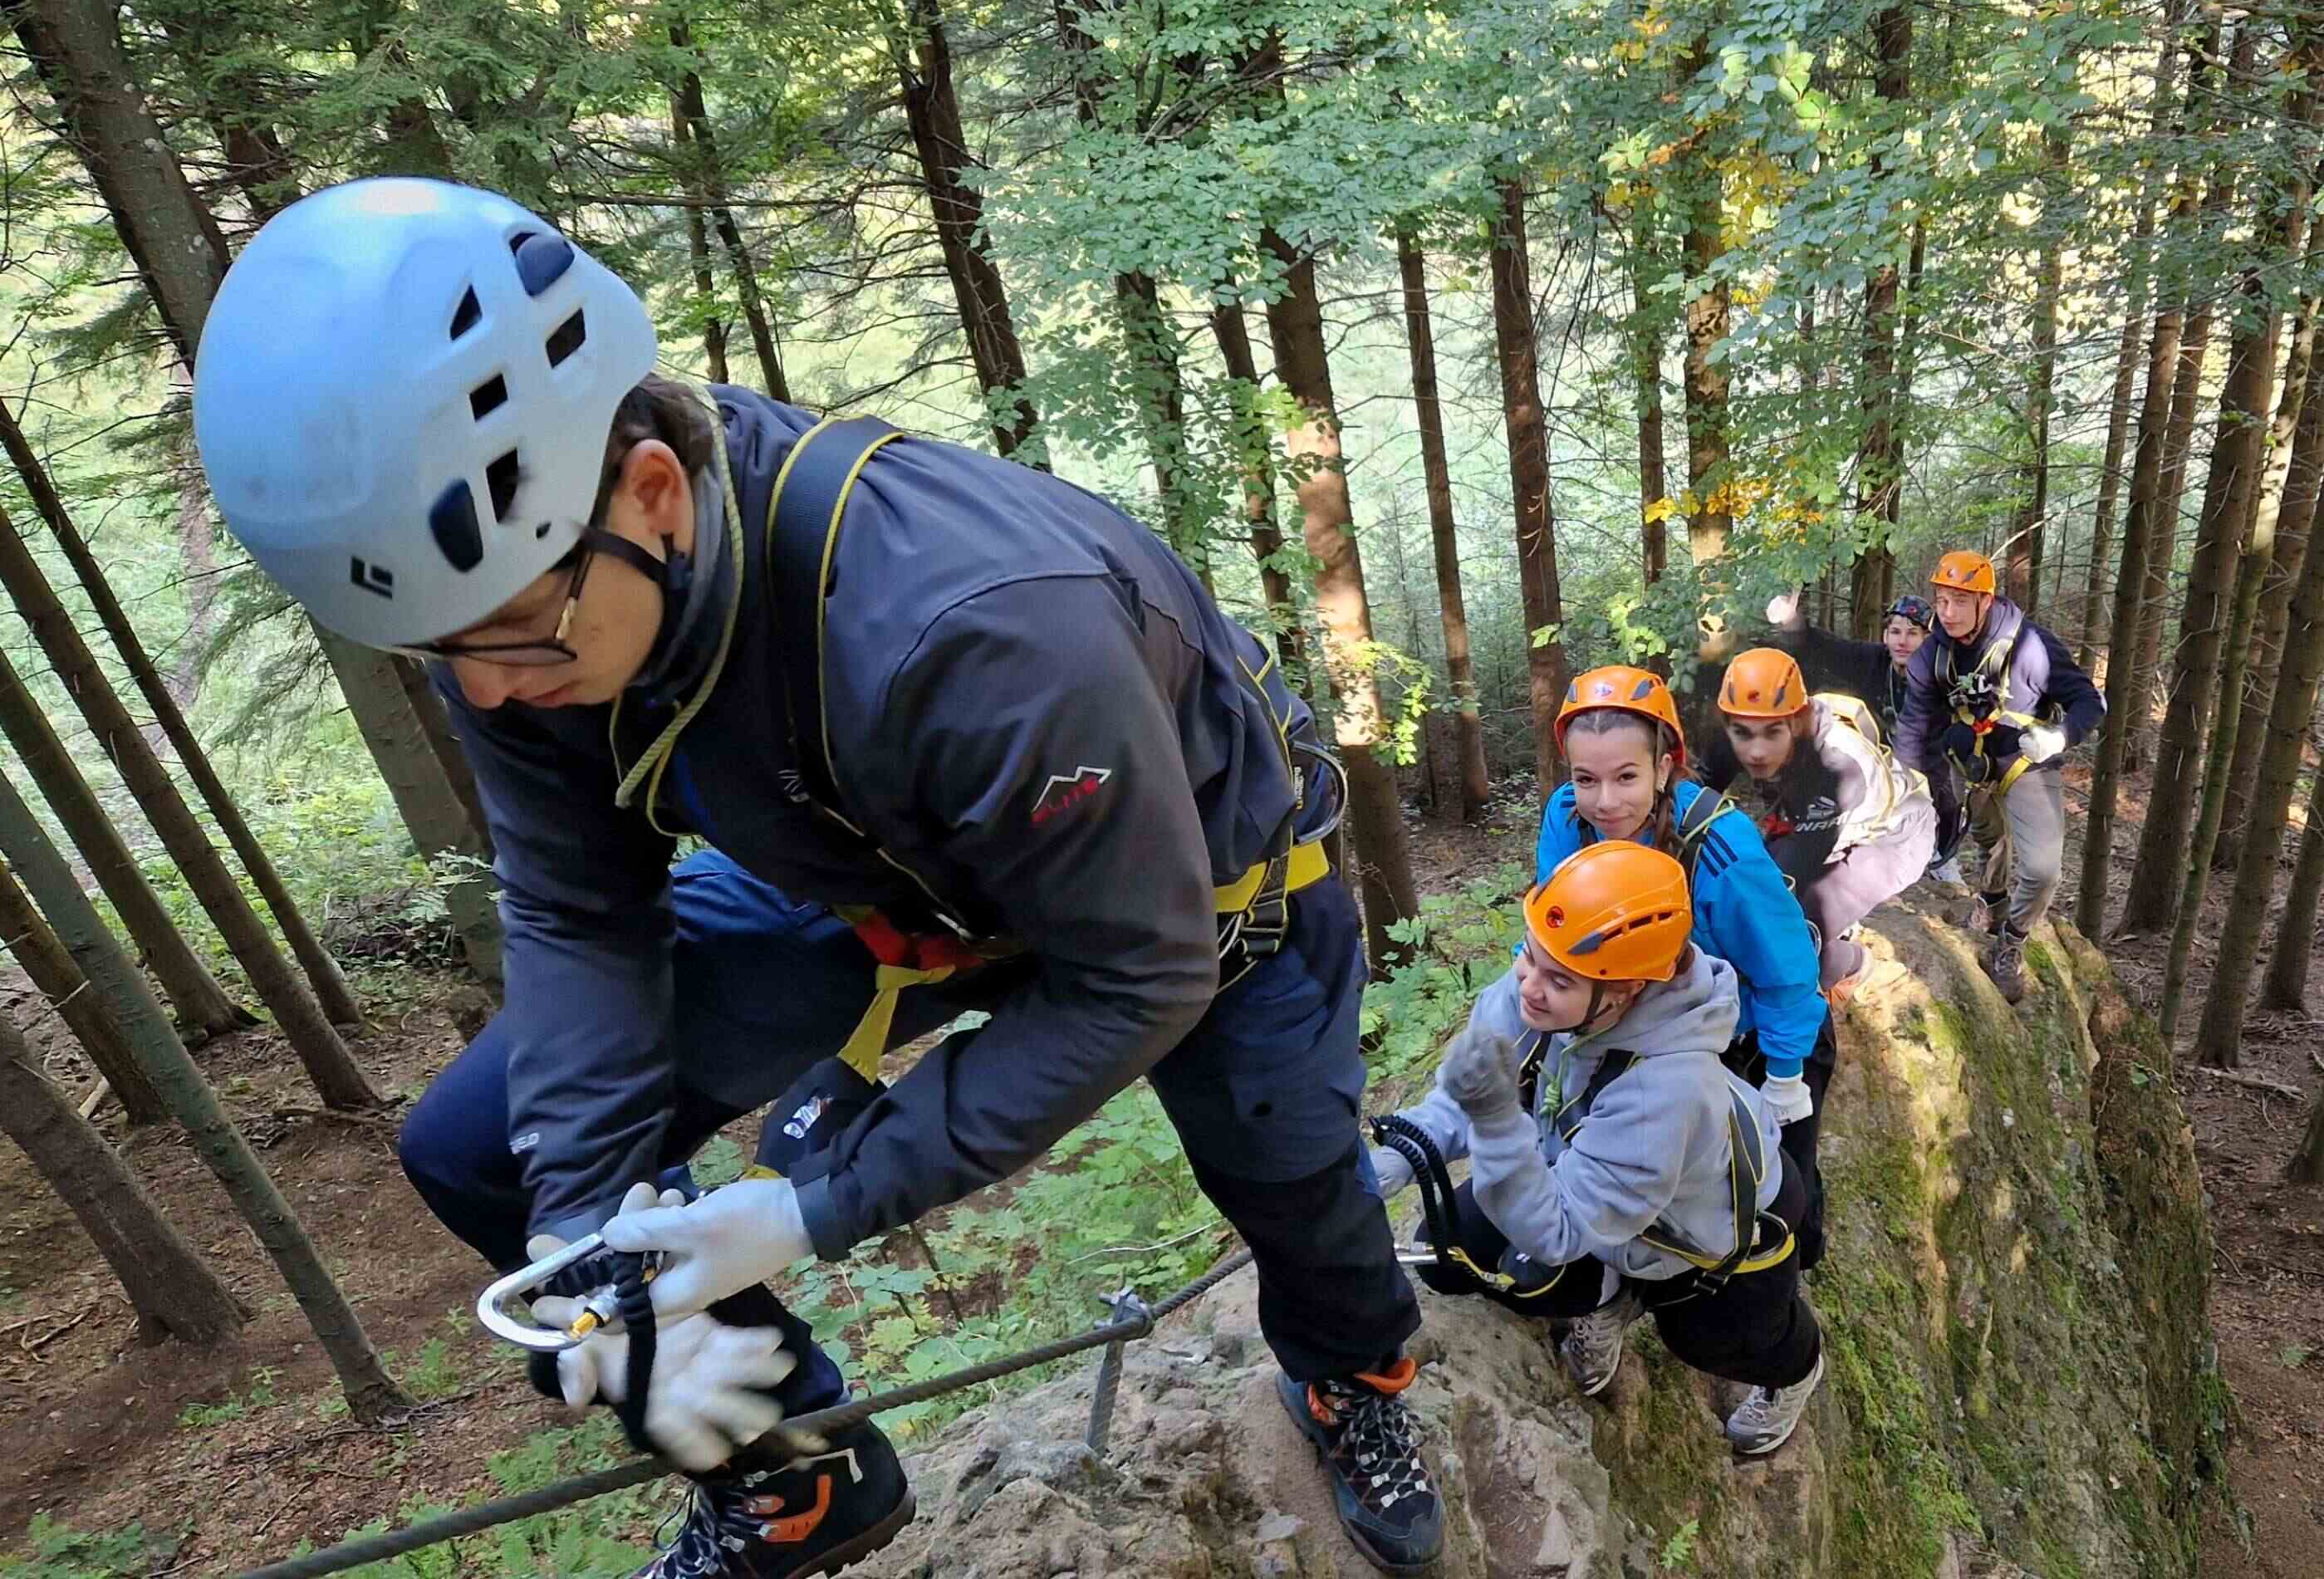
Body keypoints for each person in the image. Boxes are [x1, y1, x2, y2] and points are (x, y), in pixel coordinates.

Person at [193, 179, 1443, 1577]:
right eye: (440, 656)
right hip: (870, 869)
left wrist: (803, 1211)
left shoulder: (979, 632)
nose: (487, 694)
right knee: (493, 1155)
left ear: (653, 494)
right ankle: (800, 1476)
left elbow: (1133, 973)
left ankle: (1356, 1376)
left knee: (1291, 1178)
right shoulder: (540, 591)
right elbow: (575, 907)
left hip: (1193, 888)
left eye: (508, 642)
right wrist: (593, 1237)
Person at [1372, 841, 1826, 1455]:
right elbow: (1474, 1085)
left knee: (1716, 1340)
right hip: (1598, 1185)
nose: (1529, 988)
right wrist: (1398, 1157)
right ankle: (1614, 1294)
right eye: (1529, 959)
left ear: (1627, 991)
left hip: (1720, 1231)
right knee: (1446, 1255)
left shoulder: (1668, 1090)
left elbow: (1555, 1229)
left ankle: (1794, 1373)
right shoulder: (1549, 986)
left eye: (1557, 980)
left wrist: (1500, 1118)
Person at [1535, 668, 1832, 1270]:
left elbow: (1788, 971)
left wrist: (1782, 1076)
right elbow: (1560, 929)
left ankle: (1793, 1270)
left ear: (1664, 767)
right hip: (1650, 1024)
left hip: (1759, 1032)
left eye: (1626, 777)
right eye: (1585, 778)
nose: (1604, 801)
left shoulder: (1721, 850)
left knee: (1780, 1182)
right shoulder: (1568, 820)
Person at [1893, 552, 2106, 1004]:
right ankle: (1991, 901)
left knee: (2043, 870)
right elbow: (1915, 724)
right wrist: (1905, 782)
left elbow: (2090, 700)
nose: (1946, 612)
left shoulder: (2031, 646)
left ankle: (2012, 940)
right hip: (1970, 766)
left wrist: (2060, 736)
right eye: (1941, 600)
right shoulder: (1932, 655)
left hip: (2027, 765)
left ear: (1985, 601)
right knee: (1991, 844)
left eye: (1958, 601)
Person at [1698, 648, 1936, 1004]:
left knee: (1788, 941)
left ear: (1797, 720)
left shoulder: (1838, 768)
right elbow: (1696, 800)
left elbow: (1784, 884)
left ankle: (1854, 962)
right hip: (1808, 818)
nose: (1756, 752)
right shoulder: (1740, 728)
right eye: (1743, 734)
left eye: (1772, 733)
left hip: (1894, 837)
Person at [1764, 587, 1963, 885]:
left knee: (1949, 793)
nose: (1902, 641)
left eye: (1912, 633)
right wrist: (1792, 621)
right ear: (1885, 636)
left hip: (1929, 762)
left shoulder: (1943, 672)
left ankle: (1944, 857)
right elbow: (1827, 648)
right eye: (1895, 632)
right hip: (1877, 758)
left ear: (1927, 639)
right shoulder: (1873, 660)